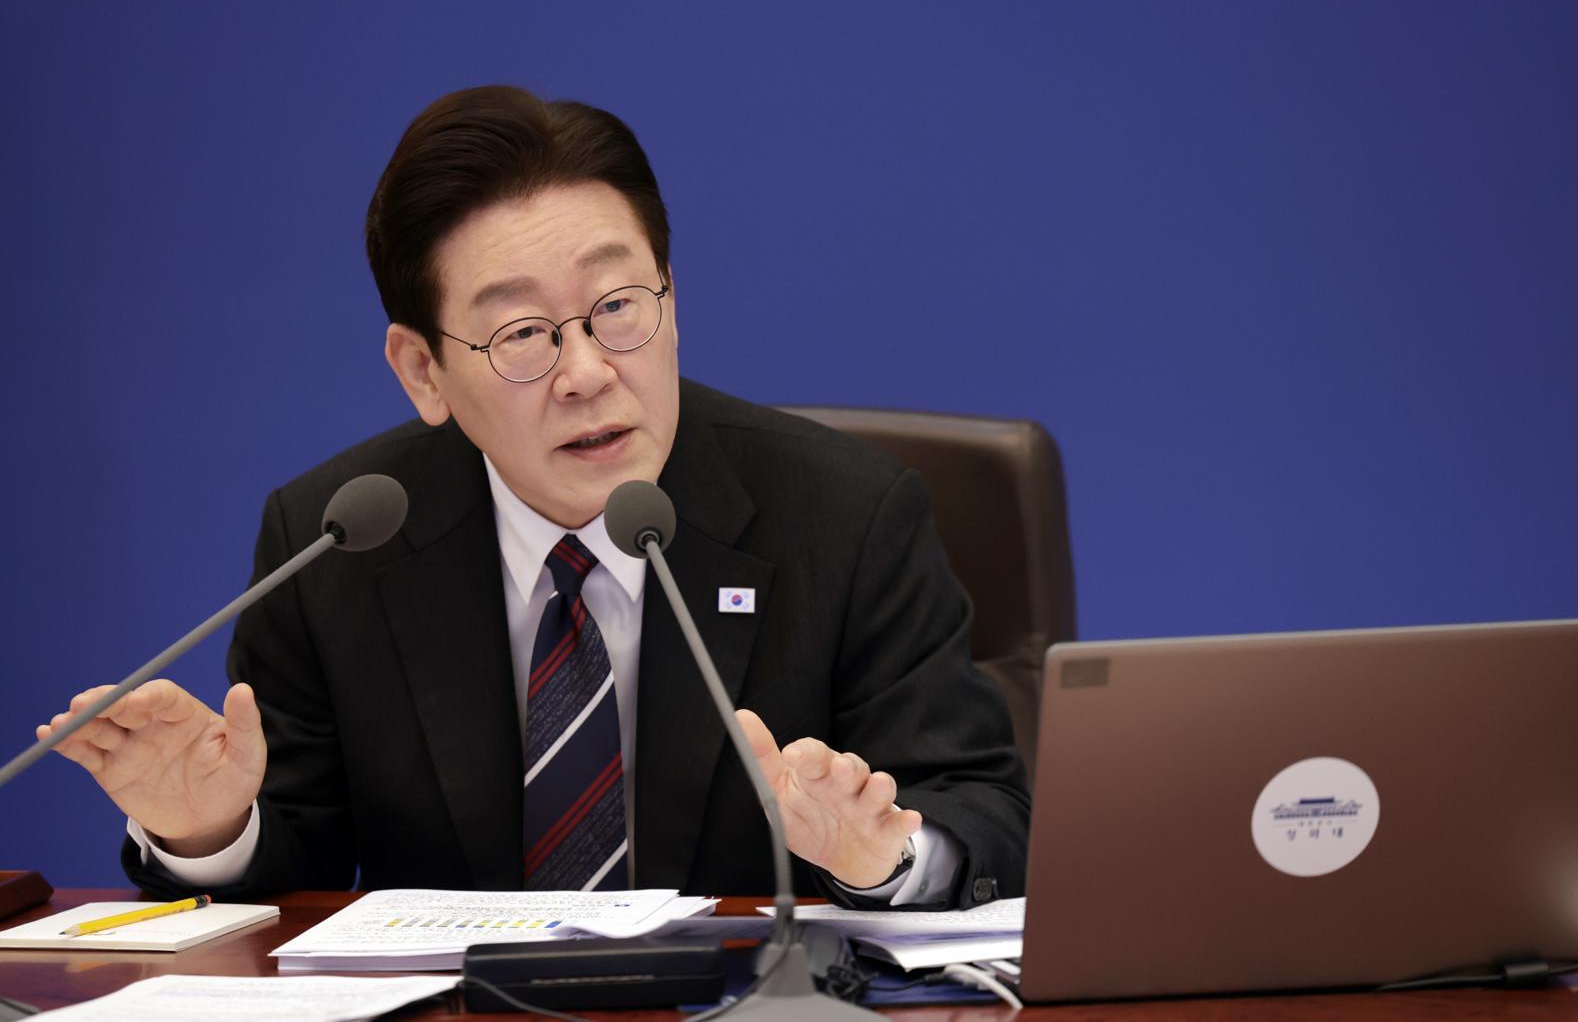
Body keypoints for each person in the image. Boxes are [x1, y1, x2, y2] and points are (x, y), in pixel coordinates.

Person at [39, 85, 1029, 908]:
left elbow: (985, 813)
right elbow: (295, 868)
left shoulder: (844, 517)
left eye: (618, 307)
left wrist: (880, 856)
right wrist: (209, 830)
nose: (587, 372)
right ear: (422, 371)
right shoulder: (336, 542)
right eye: (521, 334)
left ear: (672, 299)